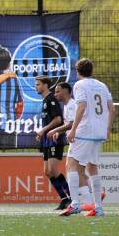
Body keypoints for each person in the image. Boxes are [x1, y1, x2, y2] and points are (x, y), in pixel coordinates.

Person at [63, 58, 115, 217]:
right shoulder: (102, 85)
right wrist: (108, 129)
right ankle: (98, 208)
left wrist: (73, 129)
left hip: (85, 131)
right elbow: (112, 109)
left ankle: (75, 204)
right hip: (99, 132)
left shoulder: (79, 85)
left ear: (77, 71)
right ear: (91, 70)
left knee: (71, 164)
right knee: (92, 167)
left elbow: (81, 106)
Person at [47, 82, 95, 211]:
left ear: (66, 91)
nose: (55, 94)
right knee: (79, 171)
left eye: (58, 91)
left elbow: (71, 124)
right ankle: (89, 201)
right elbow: (69, 124)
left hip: (78, 139)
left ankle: (76, 203)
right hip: (79, 139)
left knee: (71, 167)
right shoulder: (67, 105)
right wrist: (60, 132)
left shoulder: (72, 105)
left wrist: (55, 130)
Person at [34, 76, 70, 210]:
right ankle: (64, 199)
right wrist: (42, 134)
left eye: (38, 84)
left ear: (45, 85)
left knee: (53, 170)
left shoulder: (51, 100)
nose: (36, 86)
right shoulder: (44, 100)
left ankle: (72, 197)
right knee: (47, 172)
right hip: (46, 140)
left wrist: (44, 130)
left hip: (54, 139)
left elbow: (58, 119)